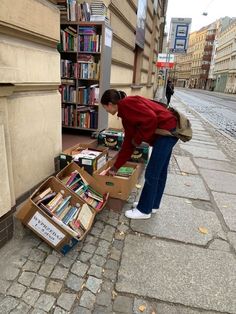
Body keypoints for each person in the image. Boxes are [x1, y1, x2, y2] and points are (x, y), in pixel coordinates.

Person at [100, 89, 178, 220]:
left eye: (104, 107)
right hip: (169, 130)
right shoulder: (126, 109)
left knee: (152, 173)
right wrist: (115, 167)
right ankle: (152, 204)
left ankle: (144, 210)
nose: (106, 111)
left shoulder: (126, 106)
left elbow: (151, 120)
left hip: (167, 133)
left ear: (110, 104)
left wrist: (137, 139)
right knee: (160, 172)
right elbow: (128, 144)